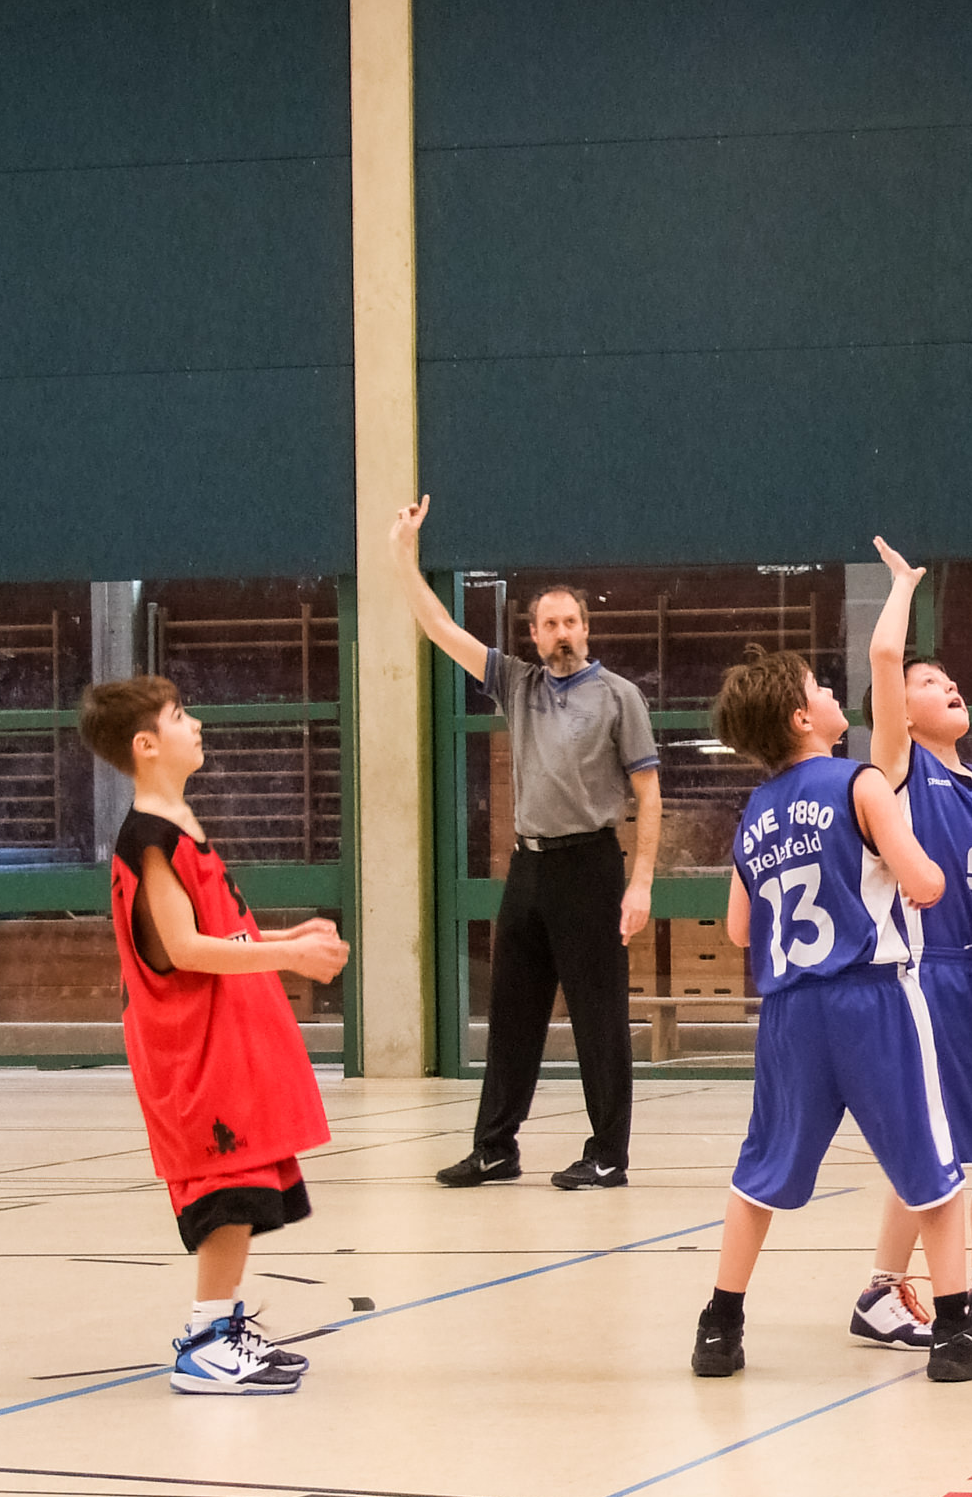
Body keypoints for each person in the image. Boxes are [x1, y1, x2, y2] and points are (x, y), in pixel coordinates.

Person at [691, 648, 972, 1385]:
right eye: (820, 686)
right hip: (872, 999)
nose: (834, 691)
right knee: (931, 1166)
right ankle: (955, 1333)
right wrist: (914, 870)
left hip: (789, 1013)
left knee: (759, 1173)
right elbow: (926, 881)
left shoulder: (755, 812)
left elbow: (738, 930)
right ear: (804, 718)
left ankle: (719, 1325)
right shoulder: (860, 782)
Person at [81, 676, 351, 1395]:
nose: (195, 723)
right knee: (227, 1188)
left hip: (225, 1040)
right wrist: (288, 957)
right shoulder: (149, 838)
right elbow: (184, 948)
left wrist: (283, 937)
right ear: (146, 745)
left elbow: (218, 929)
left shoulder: (178, 821)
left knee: (251, 1182)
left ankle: (223, 1326)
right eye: (179, 716)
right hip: (190, 1047)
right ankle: (206, 1343)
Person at [388, 497, 661, 1192]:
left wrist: (641, 882)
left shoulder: (620, 697)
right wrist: (402, 556)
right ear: (533, 635)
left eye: (571, 622)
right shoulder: (516, 682)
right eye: (549, 624)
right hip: (529, 867)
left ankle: (608, 1153)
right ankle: (494, 1148)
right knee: (512, 1012)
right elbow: (439, 626)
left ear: (586, 629)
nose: (561, 633)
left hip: (591, 865)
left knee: (598, 1017)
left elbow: (649, 794)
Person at [846, 538, 972, 1351]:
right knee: (937, 1146)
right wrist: (901, 587)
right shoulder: (896, 771)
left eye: (948, 679)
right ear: (899, 711)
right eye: (927, 683)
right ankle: (881, 1287)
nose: (946, 685)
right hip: (928, 974)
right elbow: (884, 656)